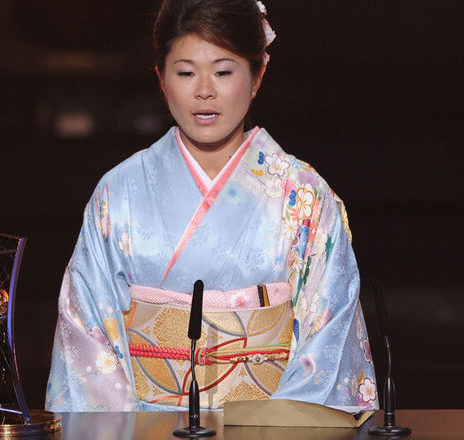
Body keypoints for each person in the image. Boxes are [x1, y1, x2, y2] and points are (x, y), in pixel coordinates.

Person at [46, 0, 377, 412]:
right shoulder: (119, 194)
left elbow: (329, 339)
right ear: (161, 78)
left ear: (258, 76)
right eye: (185, 72)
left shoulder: (304, 197)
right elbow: (88, 340)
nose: (204, 90)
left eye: (223, 71)